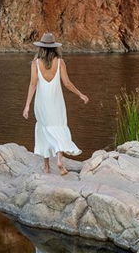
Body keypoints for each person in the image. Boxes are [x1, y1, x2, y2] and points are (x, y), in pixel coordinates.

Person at [22, 32, 89, 174]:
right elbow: (67, 83)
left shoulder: (35, 63)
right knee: (60, 128)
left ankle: (46, 166)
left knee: (43, 129)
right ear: (54, 48)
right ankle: (59, 161)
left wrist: (27, 105)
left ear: (40, 48)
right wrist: (80, 94)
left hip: (41, 102)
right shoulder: (60, 62)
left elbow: (33, 84)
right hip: (57, 102)